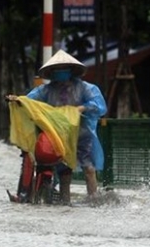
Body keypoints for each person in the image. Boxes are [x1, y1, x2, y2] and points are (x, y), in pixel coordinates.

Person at [8, 49, 107, 204]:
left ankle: (94, 202)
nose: (60, 74)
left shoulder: (85, 88)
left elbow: (98, 105)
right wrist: (17, 99)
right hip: (58, 136)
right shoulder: (46, 89)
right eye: (57, 70)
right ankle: (65, 204)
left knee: (89, 169)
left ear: (71, 71)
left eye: (64, 70)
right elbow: (30, 101)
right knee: (64, 173)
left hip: (81, 134)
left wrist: (81, 108)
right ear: (52, 73)